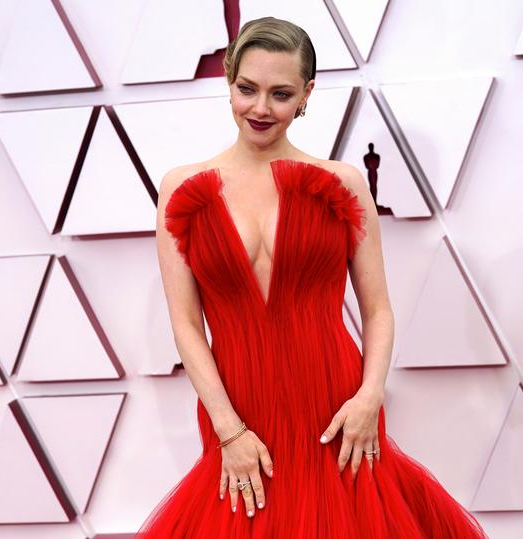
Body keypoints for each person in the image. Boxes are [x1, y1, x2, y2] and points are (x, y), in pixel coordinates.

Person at [139, 16, 488, 538]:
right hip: (237, 408)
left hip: (335, 407)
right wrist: (228, 430)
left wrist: (369, 398)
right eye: (247, 89)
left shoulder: (340, 184)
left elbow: (377, 310)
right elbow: (186, 324)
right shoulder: (183, 187)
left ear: (306, 94)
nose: (261, 108)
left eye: (280, 94)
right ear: (228, 81)